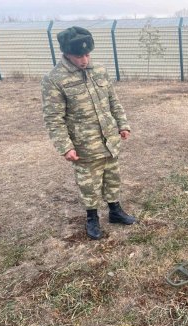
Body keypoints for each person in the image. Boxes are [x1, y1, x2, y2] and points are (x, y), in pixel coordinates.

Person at [41, 26, 136, 240]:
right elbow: (53, 118)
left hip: (109, 140)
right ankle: (92, 217)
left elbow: (113, 100)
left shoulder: (99, 70)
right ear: (66, 53)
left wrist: (123, 124)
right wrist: (65, 146)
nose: (84, 60)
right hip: (84, 144)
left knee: (112, 176)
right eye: (78, 56)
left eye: (87, 54)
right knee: (89, 183)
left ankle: (115, 211)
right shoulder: (54, 79)